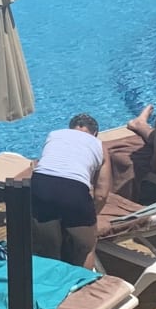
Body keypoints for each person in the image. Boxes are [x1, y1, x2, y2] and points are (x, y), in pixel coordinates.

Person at [29, 113, 109, 268]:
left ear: (70, 128)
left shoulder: (54, 135)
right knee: (85, 248)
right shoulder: (100, 145)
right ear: (95, 133)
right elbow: (101, 195)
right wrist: (88, 220)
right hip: (73, 191)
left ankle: (52, 280)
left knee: (49, 247)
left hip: (40, 187)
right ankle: (83, 282)